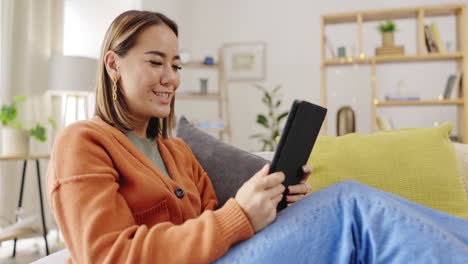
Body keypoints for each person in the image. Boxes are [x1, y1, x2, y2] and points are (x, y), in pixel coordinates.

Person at [47, 10, 468, 264]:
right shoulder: (83, 143)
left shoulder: (175, 151)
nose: (170, 78)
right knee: (350, 205)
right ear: (113, 65)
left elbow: (210, 223)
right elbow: (108, 256)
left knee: (349, 196)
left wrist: (269, 204)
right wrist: (238, 217)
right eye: (156, 62)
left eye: (177, 65)